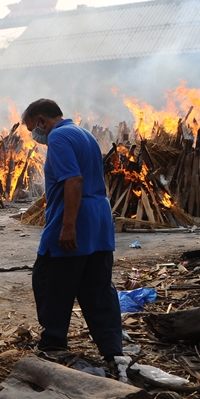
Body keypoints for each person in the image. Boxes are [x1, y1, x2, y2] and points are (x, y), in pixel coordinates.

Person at [20, 99, 123, 372]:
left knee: (50, 280)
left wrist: (68, 226)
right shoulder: (83, 133)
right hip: (99, 219)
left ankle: (53, 342)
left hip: (75, 217)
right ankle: (112, 350)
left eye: (33, 128)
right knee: (97, 288)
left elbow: (73, 180)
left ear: (42, 121)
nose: (35, 135)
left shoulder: (59, 137)